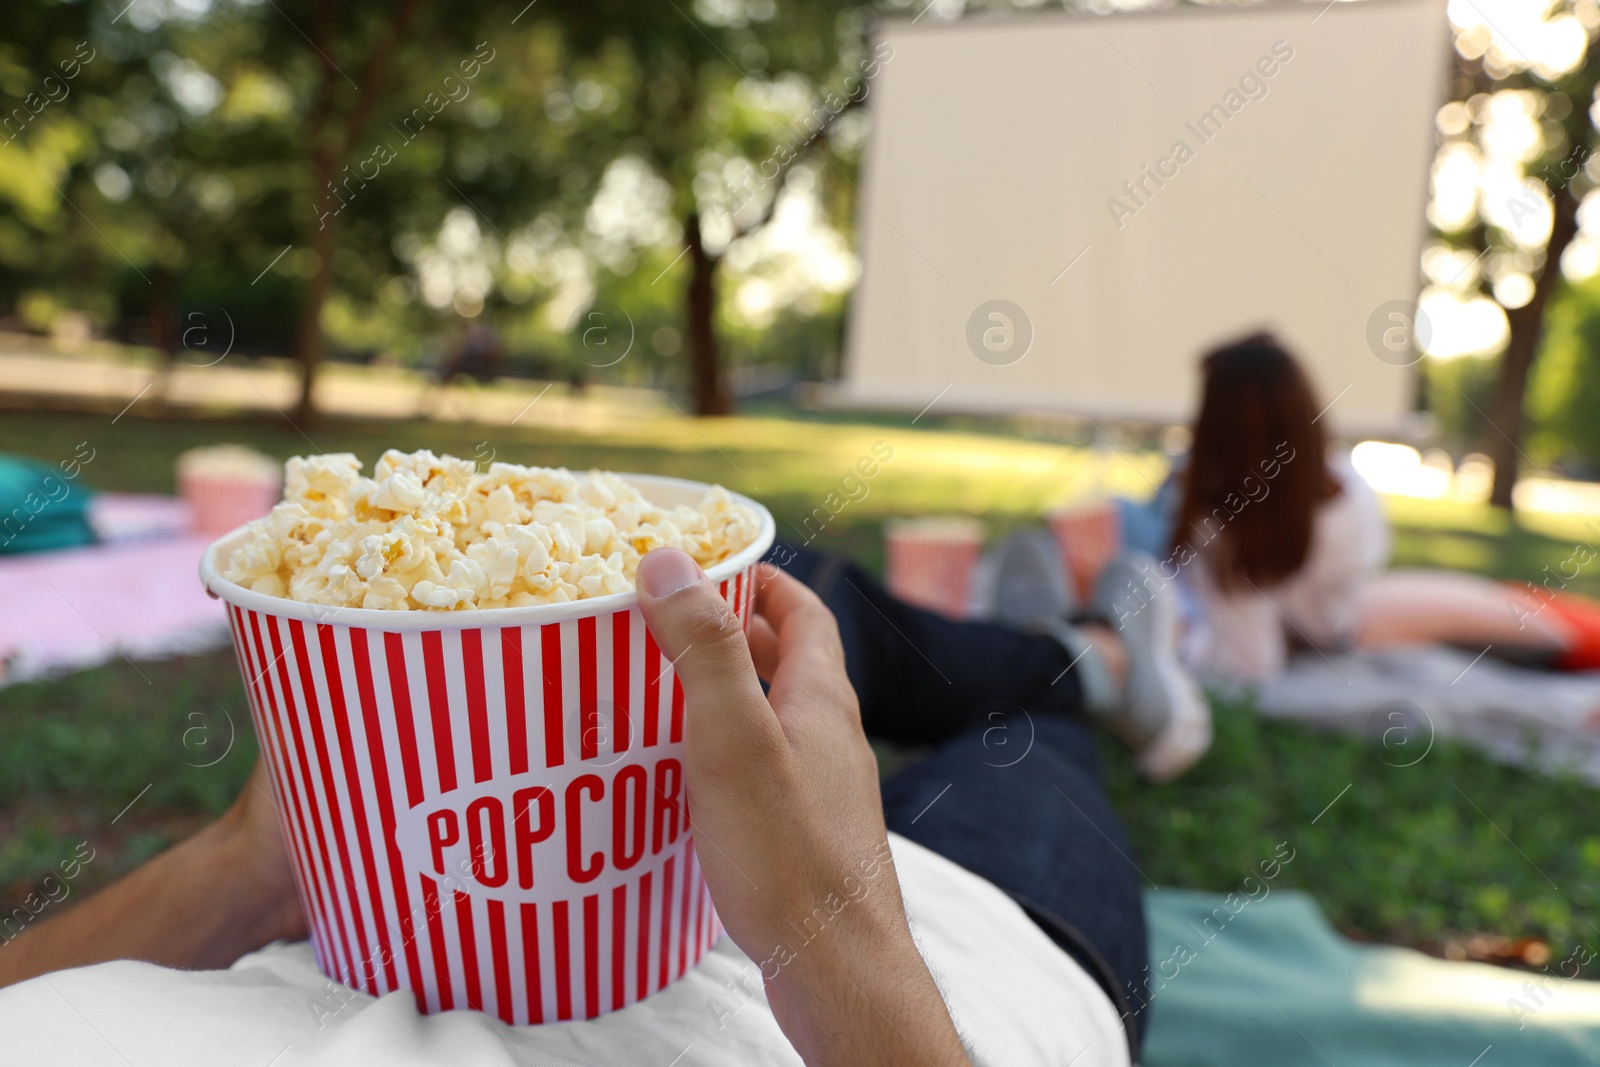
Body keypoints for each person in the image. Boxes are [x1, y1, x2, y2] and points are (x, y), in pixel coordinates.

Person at [0, 542, 1201, 1066]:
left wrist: (255, 861)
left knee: (797, 596)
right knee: (1023, 735)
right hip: (965, 957)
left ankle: (1058, 643)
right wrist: (827, 924)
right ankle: (1083, 663)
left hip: (453, 885)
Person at [1144, 332, 1568, 683]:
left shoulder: (1224, 528)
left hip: (1224, 596)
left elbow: (1248, 658)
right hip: (1327, 614)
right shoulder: (1346, 493)